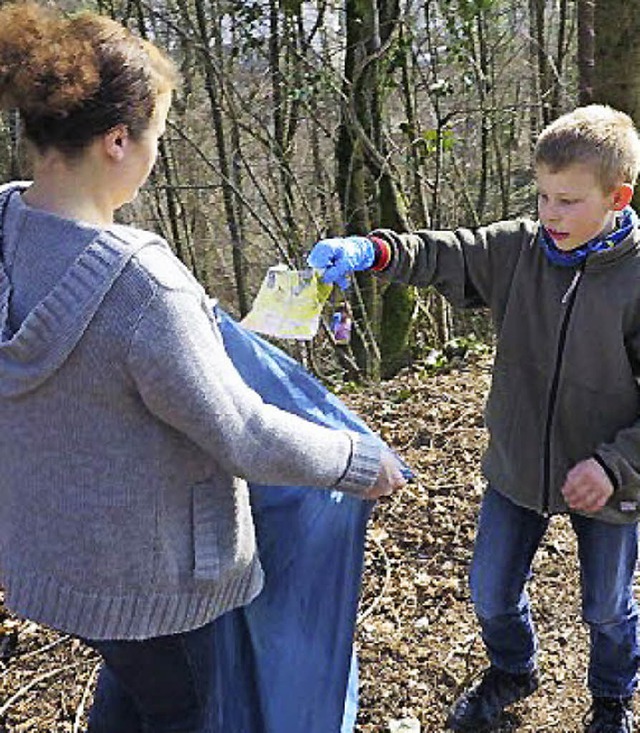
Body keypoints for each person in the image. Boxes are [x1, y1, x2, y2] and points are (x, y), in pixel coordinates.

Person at [0, 3, 406, 732]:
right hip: (157, 583)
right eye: (155, 134)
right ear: (118, 140)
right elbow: (243, 433)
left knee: (137, 686)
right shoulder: (142, 287)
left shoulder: (6, 229)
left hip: (53, 562)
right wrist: (357, 458)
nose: (157, 151)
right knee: (185, 708)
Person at [307, 104, 640, 733]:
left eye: (568, 201)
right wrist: (370, 251)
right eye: (542, 195)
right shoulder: (519, 249)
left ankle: (610, 696)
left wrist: (614, 464)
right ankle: (514, 669)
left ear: (618, 198)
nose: (550, 214)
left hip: (609, 478)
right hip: (518, 466)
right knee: (490, 592)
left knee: (606, 609)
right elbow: (445, 255)